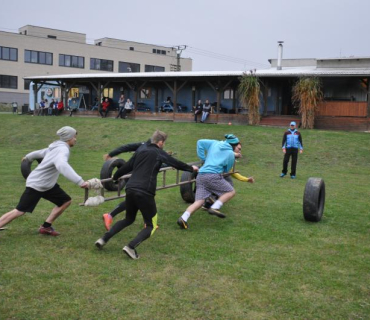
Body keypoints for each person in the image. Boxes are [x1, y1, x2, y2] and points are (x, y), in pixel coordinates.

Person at [95, 130, 198, 259]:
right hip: (145, 192)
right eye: (164, 143)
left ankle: (103, 239)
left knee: (128, 219)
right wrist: (191, 168)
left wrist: (115, 177)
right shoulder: (159, 152)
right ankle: (130, 247)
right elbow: (175, 162)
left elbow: (127, 166)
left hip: (131, 189)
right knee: (151, 225)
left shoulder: (140, 150)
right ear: (160, 142)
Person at [0, 126, 89, 236]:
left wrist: (28, 157)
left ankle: (46, 227)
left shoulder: (55, 147)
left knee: (65, 201)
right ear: (69, 138)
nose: (75, 139)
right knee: (20, 210)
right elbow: (62, 165)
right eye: (74, 137)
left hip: (47, 185)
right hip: (37, 184)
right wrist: (80, 181)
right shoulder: (62, 149)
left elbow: (40, 153)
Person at [177, 134, 242, 229]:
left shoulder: (215, 143)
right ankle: (215, 207)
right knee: (231, 191)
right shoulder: (230, 154)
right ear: (234, 146)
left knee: (199, 201)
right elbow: (227, 170)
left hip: (201, 175)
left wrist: (203, 159)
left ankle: (183, 218)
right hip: (212, 175)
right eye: (238, 148)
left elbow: (200, 142)